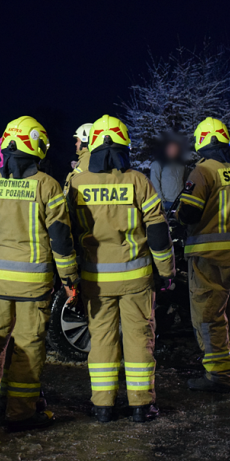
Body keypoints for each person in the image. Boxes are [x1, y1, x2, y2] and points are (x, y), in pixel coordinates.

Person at [0, 116, 79, 432]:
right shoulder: (48, 186)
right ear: (37, 147)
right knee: (28, 349)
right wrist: (69, 279)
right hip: (34, 287)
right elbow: (60, 238)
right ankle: (19, 414)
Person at [66, 115, 175, 423]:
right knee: (139, 338)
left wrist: (69, 276)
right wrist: (166, 272)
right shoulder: (138, 181)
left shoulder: (77, 182)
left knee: (100, 339)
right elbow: (157, 231)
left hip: (95, 279)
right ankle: (141, 406)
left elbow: (68, 232)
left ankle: (102, 406)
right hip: (136, 279)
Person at [176, 117, 230, 392]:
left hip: (209, 258)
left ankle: (219, 375)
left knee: (209, 317)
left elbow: (189, 212)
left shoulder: (203, 171)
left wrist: (177, 214)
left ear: (201, 142)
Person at [149, 131, 187, 211]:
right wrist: (162, 201)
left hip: (179, 202)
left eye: (175, 148)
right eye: (171, 148)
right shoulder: (158, 163)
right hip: (166, 203)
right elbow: (154, 183)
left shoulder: (181, 165)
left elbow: (184, 181)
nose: (173, 150)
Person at [64, 123, 92, 192]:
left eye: (78, 141)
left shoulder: (86, 160)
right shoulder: (86, 158)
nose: (76, 144)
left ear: (85, 141)